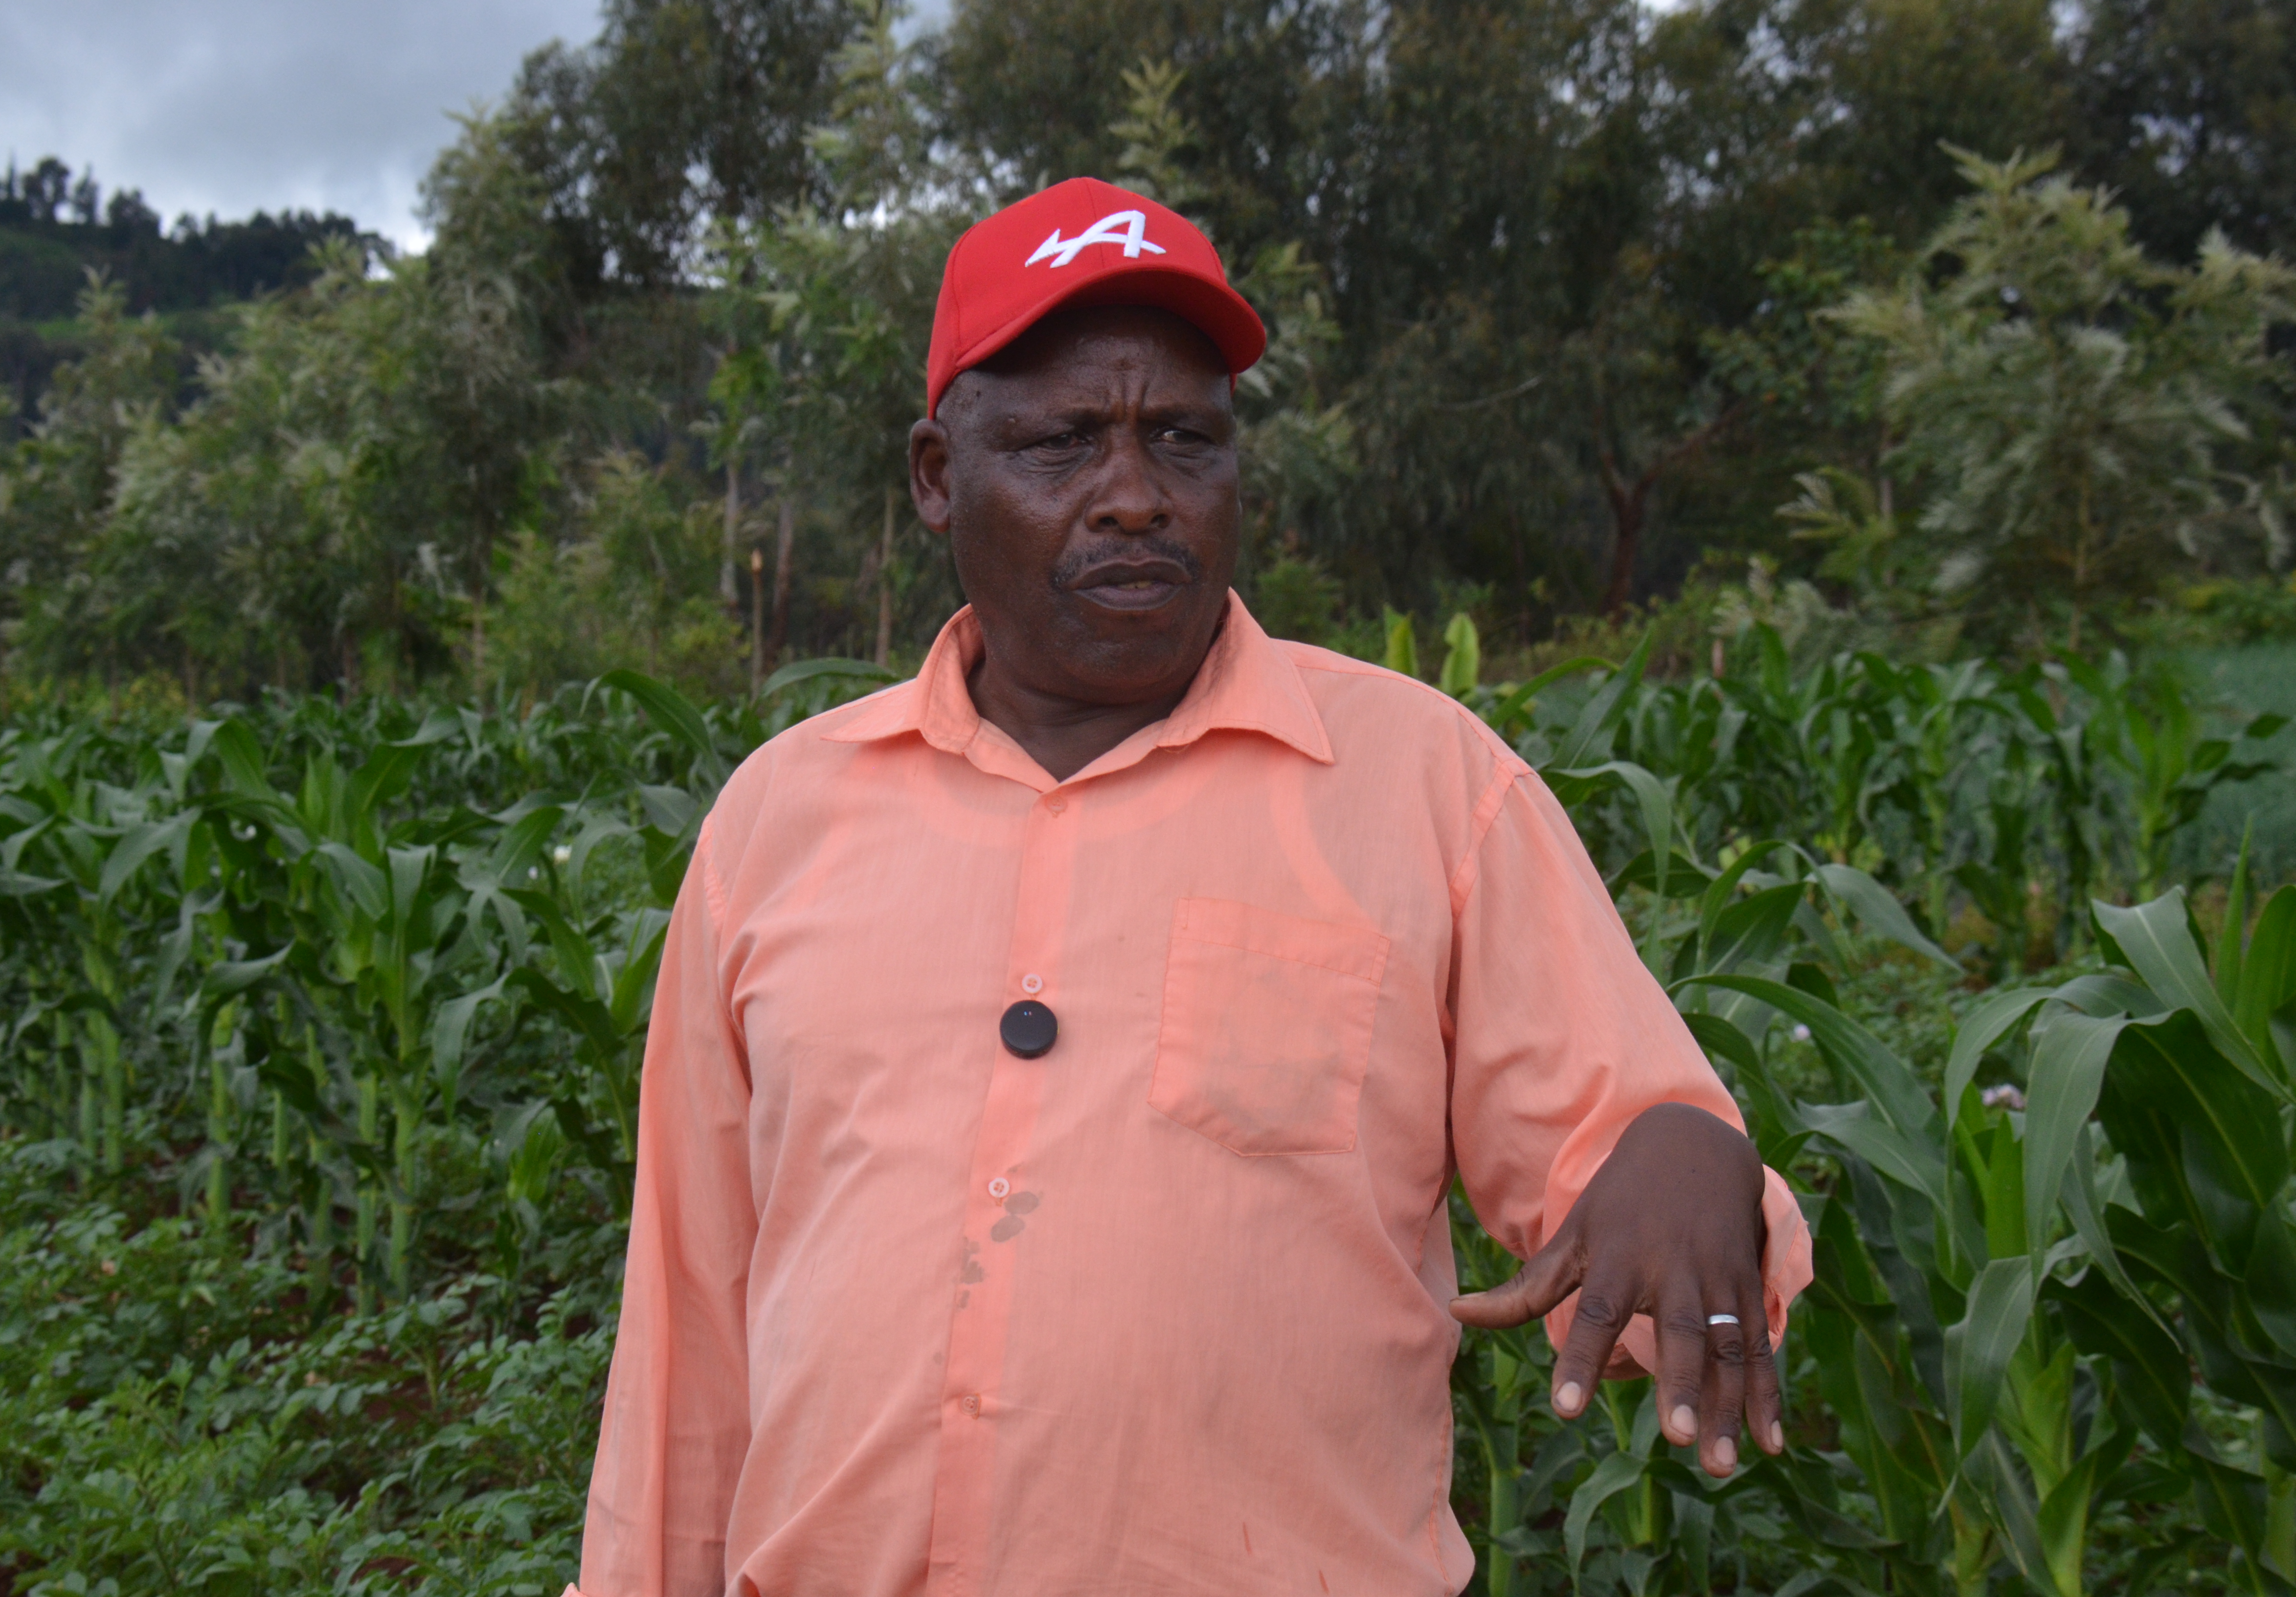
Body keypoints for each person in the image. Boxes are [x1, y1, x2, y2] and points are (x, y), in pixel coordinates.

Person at [566, 177, 1811, 1597]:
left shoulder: (1425, 788)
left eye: (1184, 439)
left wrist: (1694, 1161)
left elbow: (1642, 1187)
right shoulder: (780, 823)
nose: (1137, 496)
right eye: (1061, 443)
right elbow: (690, 1321)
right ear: (934, 475)